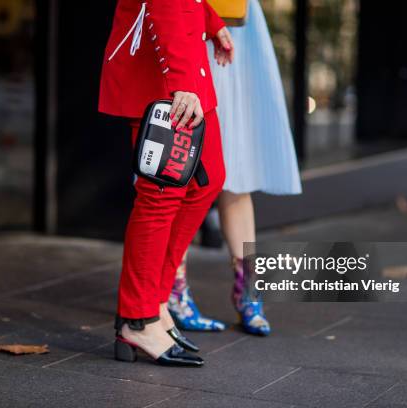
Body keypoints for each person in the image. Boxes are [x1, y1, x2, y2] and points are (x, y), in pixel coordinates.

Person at [99, 0, 234, 366]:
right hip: (165, 71)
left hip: (185, 61)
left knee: (208, 180)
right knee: (161, 194)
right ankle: (137, 319)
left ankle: (156, 302)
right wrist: (181, 80)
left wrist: (211, 19)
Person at [168, 0, 302, 336]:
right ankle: (172, 286)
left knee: (237, 162)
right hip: (183, 21)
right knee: (178, 167)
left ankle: (248, 288)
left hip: (237, 26)